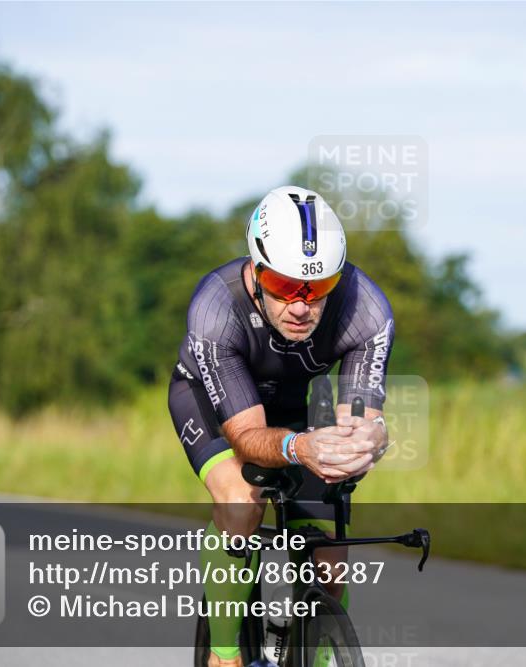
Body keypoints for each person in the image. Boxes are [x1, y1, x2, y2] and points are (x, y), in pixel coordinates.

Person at [168, 185, 394, 667]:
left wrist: (368, 440)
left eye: (317, 287)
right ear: (256, 271)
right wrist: (300, 449)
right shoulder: (215, 308)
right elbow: (247, 439)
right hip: (214, 405)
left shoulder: (366, 309)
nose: (300, 305)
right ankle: (224, 653)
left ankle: (317, 651)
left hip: (295, 405)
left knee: (327, 555)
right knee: (240, 500)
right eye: (283, 284)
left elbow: (361, 421)